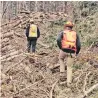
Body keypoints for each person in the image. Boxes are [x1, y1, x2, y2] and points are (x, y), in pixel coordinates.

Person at [57, 21, 81, 86]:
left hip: (64, 50)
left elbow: (58, 40)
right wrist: (77, 53)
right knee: (69, 67)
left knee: (61, 58)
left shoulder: (63, 32)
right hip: (72, 51)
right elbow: (79, 45)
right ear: (71, 27)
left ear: (66, 26)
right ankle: (69, 83)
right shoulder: (75, 34)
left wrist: (61, 47)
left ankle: (62, 73)